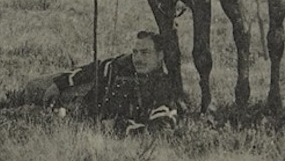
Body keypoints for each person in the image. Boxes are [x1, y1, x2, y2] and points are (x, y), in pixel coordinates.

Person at [28, 30, 179, 135]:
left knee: (33, 106)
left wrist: (118, 127)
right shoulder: (126, 64)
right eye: (135, 52)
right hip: (80, 91)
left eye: (145, 53)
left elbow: (161, 131)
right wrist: (60, 83)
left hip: (81, 113)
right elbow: (97, 68)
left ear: (160, 56)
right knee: (33, 87)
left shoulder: (162, 88)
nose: (138, 58)